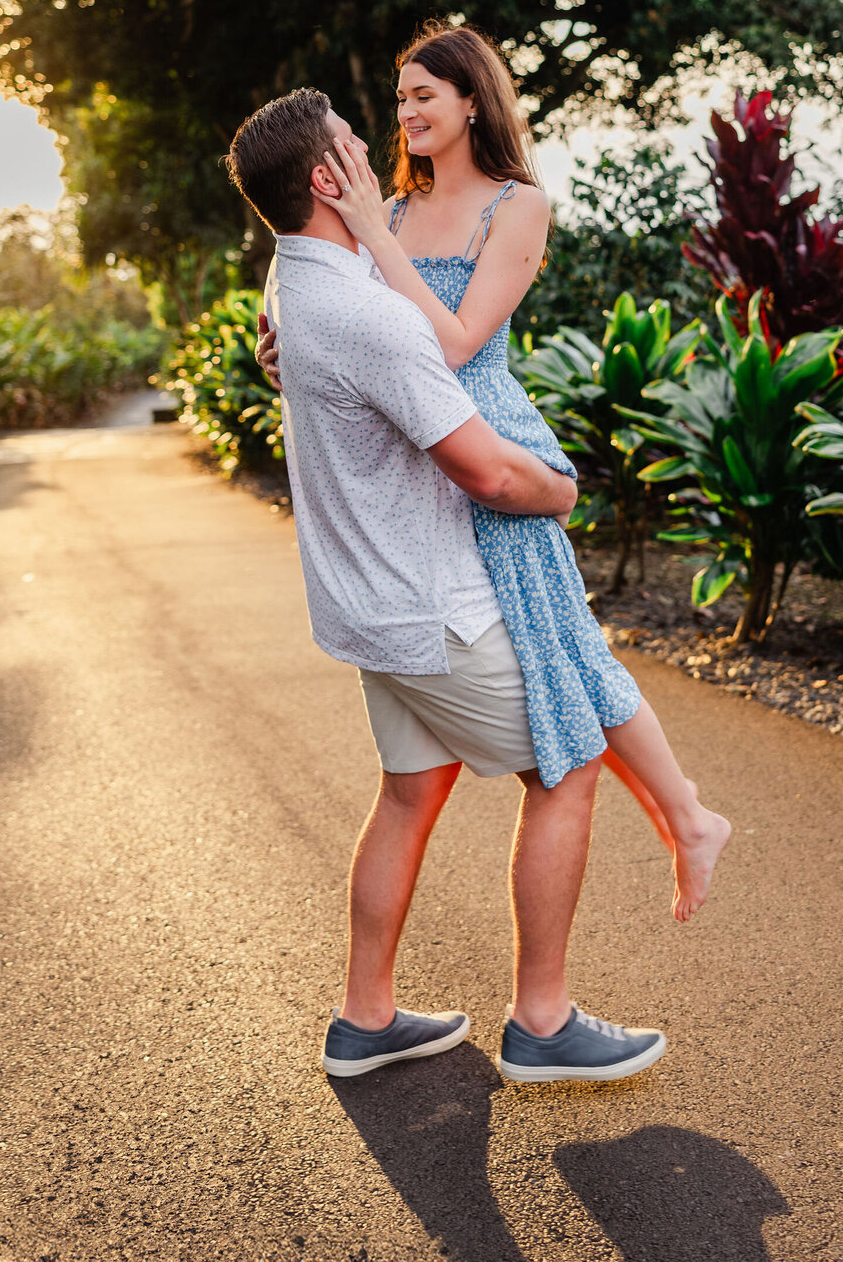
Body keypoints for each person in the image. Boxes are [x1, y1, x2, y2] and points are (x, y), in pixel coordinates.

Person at [228, 86, 668, 1085]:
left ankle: (365, 1017)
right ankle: (544, 1023)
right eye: (353, 142)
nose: (376, 150)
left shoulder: (299, 289)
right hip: (433, 609)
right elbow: (488, 469)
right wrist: (561, 489)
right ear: (327, 180)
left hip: (369, 610)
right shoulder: (368, 315)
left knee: (407, 793)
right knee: (570, 764)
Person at [257, 22, 730, 924]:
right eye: (398, 99)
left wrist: (368, 231)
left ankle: (687, 816)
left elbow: (459, 340)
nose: (406, 113)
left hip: (485, 440)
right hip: (418, 452)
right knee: (567, 657)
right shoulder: (388, 211)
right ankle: (687, 814)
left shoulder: (515, 207)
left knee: (568, 651)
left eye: (423, 94)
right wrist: (282, 346)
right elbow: (334, 314)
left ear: (473, 100)